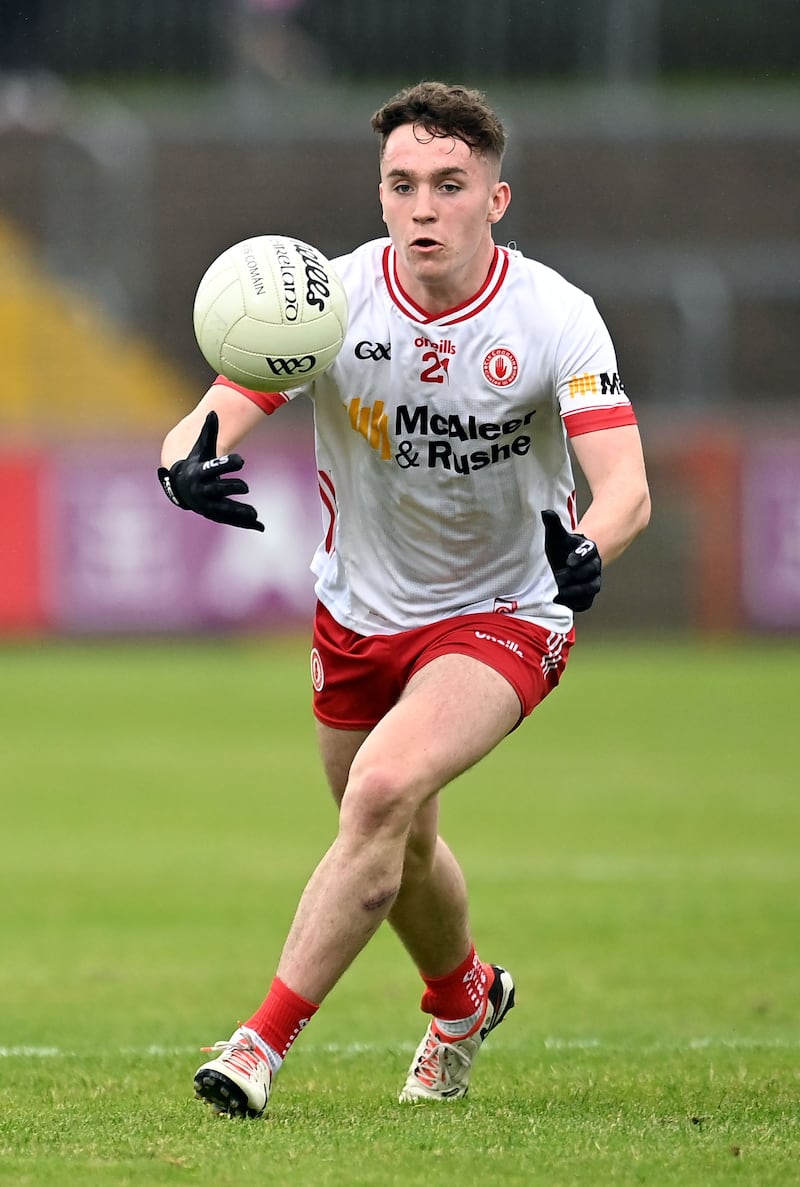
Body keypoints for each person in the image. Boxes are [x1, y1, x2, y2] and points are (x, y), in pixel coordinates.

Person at [158, 80, 651, 1117]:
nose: (422, 206)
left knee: (379, 791)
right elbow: (203, 420)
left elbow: (625, 489)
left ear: (494, 200)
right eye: (400, 185)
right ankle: (462, 999)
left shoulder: (554, 314)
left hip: (507, 611)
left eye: (447, 184)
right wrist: (184, 466)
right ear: (379, 196)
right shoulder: (326, 303)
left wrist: (586, 550)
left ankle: (257, 1044)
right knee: (399, 836)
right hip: (357, 615)